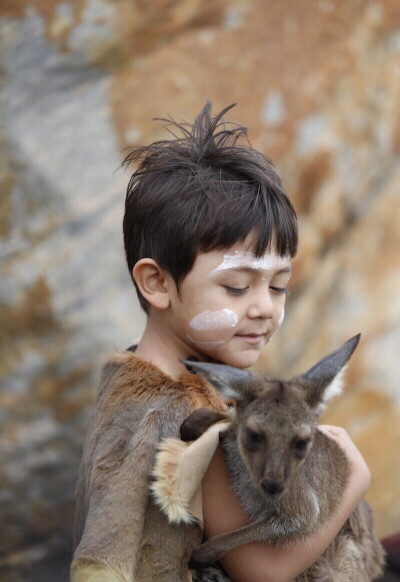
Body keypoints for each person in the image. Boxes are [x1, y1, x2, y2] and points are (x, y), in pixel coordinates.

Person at [71, 101, 371, 582]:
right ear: (157, 283)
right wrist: (357, 474)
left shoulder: (137, 375)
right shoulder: (186, 418)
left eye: (277, 286)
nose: (263, 307)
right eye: (237, 287)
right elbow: (263, 572)